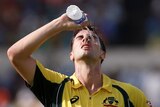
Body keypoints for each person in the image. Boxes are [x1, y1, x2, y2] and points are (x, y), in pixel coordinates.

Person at [7, 12, 151, 107]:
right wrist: (58, 25)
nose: (86, 39)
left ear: (103, 54)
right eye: (80, 38)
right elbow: (16, 55)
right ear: (71, 54)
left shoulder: (130, 94)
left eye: (93, 38)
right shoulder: (56, 86)